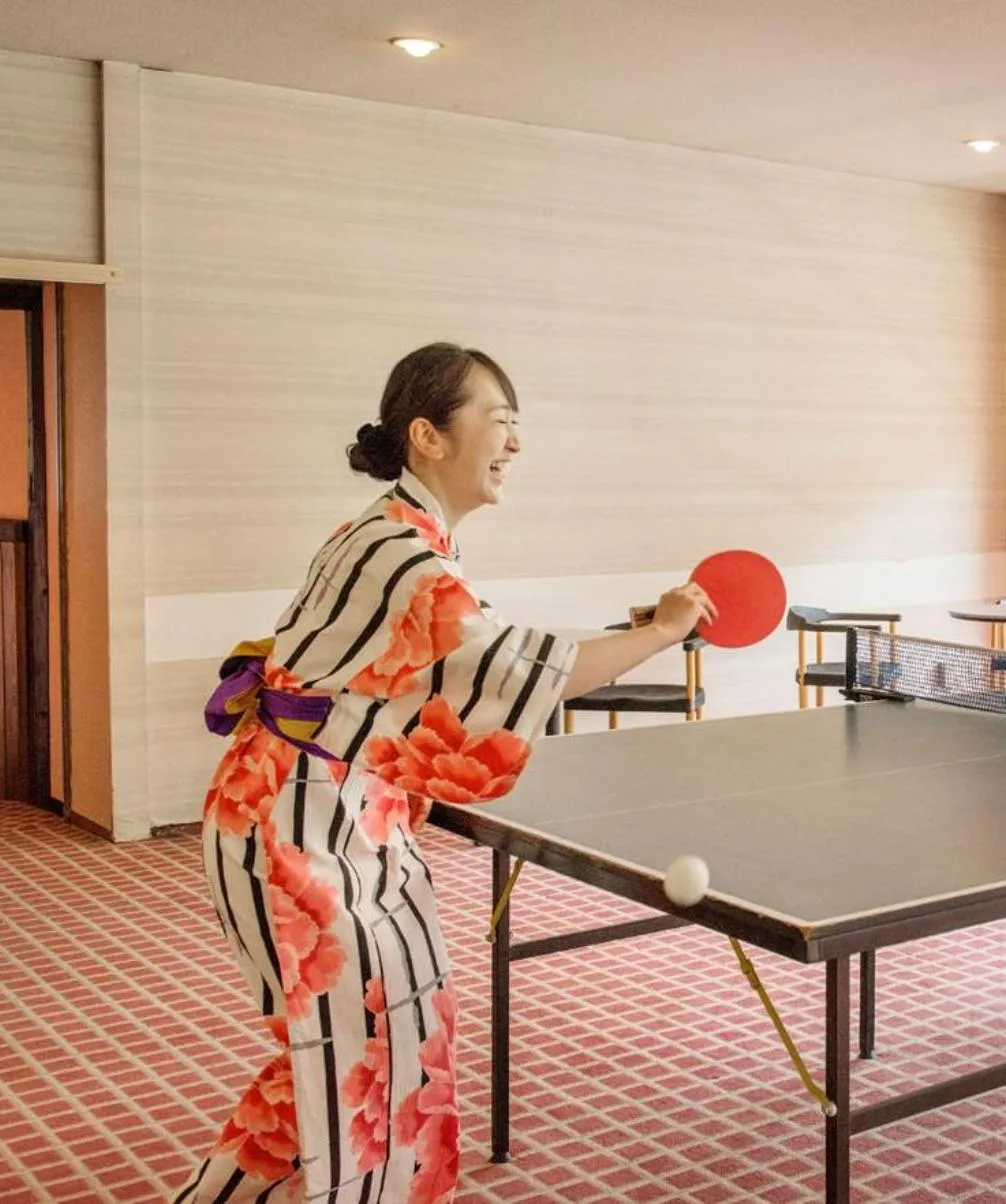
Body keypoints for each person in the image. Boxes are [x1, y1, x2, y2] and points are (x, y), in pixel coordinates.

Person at [172, 344, 715, 1204]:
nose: (514, 444)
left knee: (379, 1041)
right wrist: (661, 635)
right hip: (297, 830)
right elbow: (500, 663)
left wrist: (630, 629)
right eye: (499, 421)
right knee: (365, 1055)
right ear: (427, 435)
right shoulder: (403, 554)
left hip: (338, 820)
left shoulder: (406, 535)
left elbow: (470, 656)